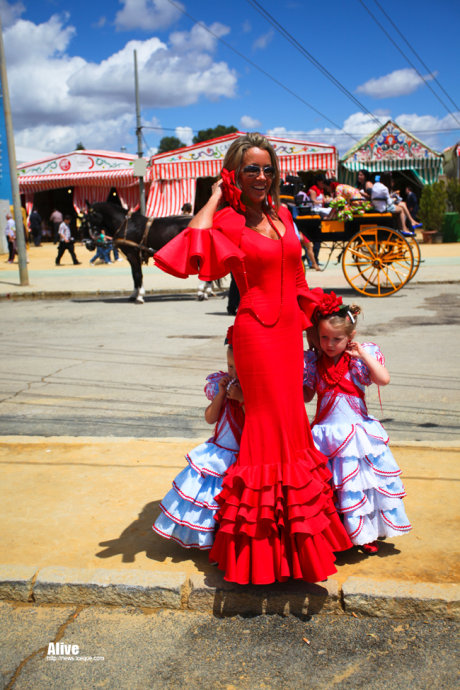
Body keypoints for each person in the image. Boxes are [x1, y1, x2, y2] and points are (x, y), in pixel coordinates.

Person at [153, 132, 352, 585]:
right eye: (251, 170)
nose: (261, 177)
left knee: (295, 431)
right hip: (255, 336)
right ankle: (259, 555)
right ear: (235, 173)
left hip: (287, 336)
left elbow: (298, 277)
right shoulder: (225, 221)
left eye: (267, 169)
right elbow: (189, 247)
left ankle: (299, 547)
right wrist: (217, 195)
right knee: (267, 433)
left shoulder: (283, 214)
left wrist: (324, 312)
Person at [303, 293, 411, 555]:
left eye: (337, 339)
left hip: (356, 435)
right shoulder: (313, 362)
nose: (329, 344)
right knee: (334, 488)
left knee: (360, 487)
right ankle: (337, 534)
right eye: (324, 337)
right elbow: (306, 396)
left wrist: (361, 353)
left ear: (350, 337)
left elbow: (383, 379)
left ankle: (365, 533)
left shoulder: (358, 359)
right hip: (324, 435)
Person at [153, 326, 244, 549]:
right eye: (229, 366)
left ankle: (226, 543)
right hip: (218, 452)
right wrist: (221, 395)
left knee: (230, 502)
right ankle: (208, 540)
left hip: (241, 457)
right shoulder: (220, 385)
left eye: (238, 367)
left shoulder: (253, 390)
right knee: (208, 500)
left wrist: (242, 398)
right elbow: (210, 418)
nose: (232, 372)